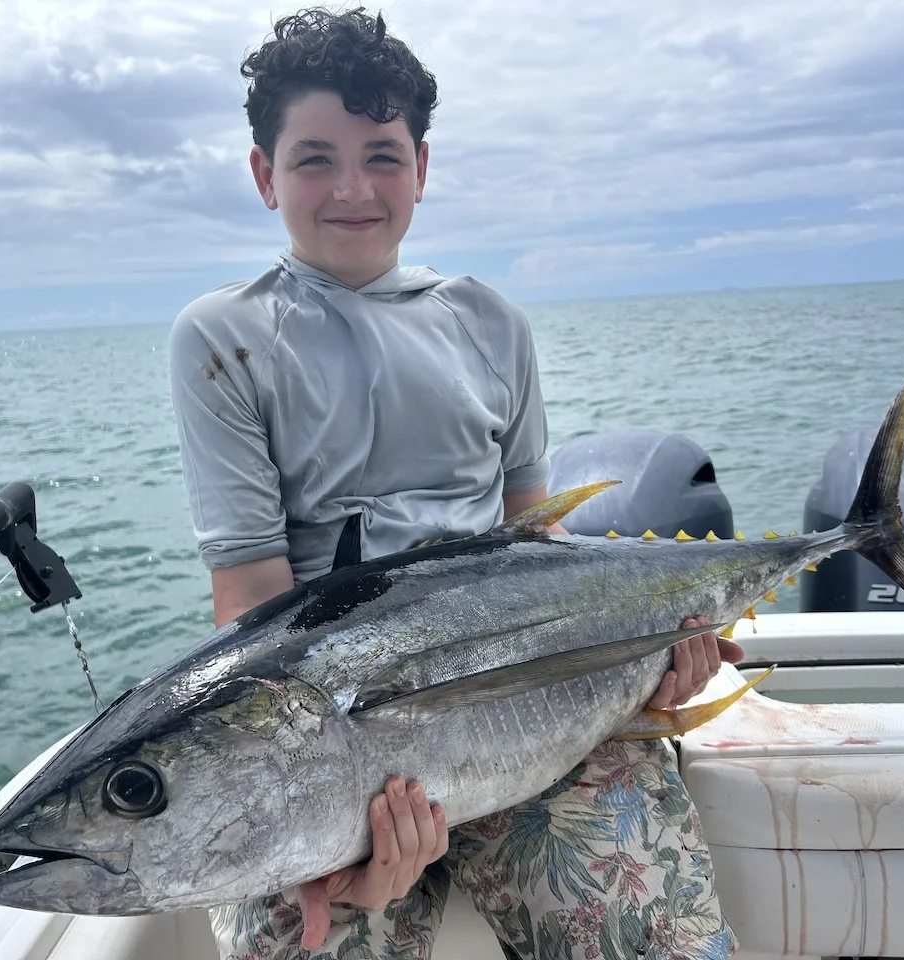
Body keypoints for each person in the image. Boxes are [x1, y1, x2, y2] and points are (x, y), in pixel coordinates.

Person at [169, 8, 744, 959]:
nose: (353, 188)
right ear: (265, 175)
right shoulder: (224, 338)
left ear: (422, 168)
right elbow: (253, 604)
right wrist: (329, 848)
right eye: (314, 159)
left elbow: (535, 544)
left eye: (382, 157)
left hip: (524, 707)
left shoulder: (490, 322)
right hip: (333, 731)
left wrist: (653, 653)